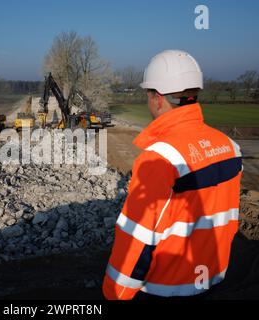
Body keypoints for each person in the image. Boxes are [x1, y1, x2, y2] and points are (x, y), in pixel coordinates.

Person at [103, 50, 242, 299]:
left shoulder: (160, 159)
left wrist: (116, 292)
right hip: (214, 281)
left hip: (166, 290)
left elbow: (139, 238)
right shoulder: (230, 147)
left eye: (147, 95)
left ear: (157, 98)